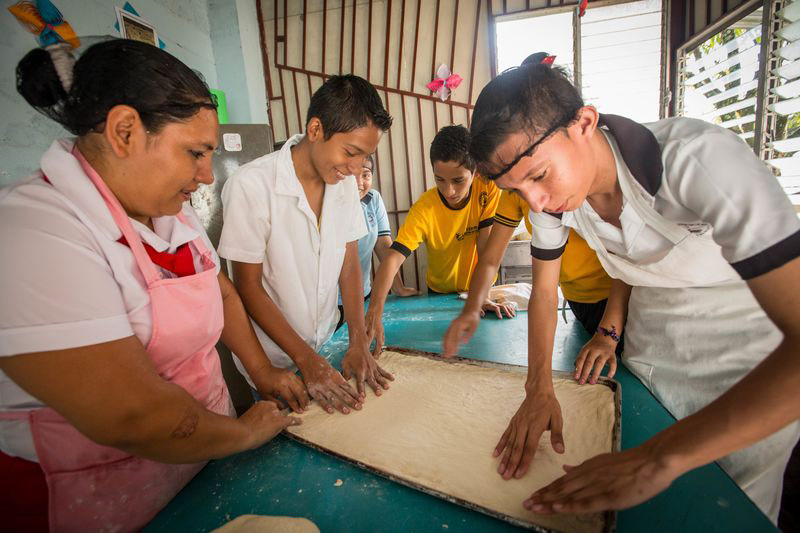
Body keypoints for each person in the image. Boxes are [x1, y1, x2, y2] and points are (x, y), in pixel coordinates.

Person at [452, 56, 800, 522]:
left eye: (537, 176)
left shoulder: (700, 160)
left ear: (584, 122)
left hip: (746, 367)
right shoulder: (555, 202)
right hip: (652, 355)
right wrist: (537, 389)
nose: (536, 202)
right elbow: (543, 291)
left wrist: (658, 459)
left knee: (720, 510)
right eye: (517, 192)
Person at [0, 39, 302, 532]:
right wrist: (242, 435)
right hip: (89, 497)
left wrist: (261, 370)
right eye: (195, 153)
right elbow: (132, 415)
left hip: (197, 466)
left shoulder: (171, 213)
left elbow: (217, 290)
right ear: (125, 132)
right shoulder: (30, 230)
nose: (206, 176)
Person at [218, 75, 394, 414]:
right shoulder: (251, 186)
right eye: (351, 152)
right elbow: (248, 288)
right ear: (315, 130)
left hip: (326, 343)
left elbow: (349, 264)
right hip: (275, 362)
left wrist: (357, 337)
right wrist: (306, 362)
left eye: (365, 157)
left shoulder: (341, 182)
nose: (356, 168)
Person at [445, 53, 620, 386]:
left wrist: (609, 332)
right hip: (580, 301)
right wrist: (473, 306)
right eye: (516, 185)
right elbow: (500, 263)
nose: (536, 203)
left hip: (614, 302)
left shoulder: (581, 185)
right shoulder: (523, 195)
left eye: (539, 173)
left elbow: (627, 265)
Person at [365, 125, 511, 355]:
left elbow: (486, 249)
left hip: (479, 290)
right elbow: (392, 259)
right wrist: (374, 311)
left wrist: (480, 296)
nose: (449, 190)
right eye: (439, 179)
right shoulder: (425, 208)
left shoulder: (488, 189)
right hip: (440, 295)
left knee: (485, 352)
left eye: (458, 180)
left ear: (476, 173)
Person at [335, 155, 418, 330]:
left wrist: (398, 288)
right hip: (329, 303)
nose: (359, 182)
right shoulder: (329, 203)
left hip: (363, 295)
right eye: (353, 174)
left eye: (366, 175)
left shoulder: (373, 199)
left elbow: (384, 246)